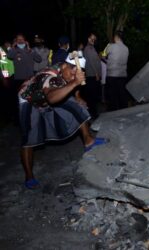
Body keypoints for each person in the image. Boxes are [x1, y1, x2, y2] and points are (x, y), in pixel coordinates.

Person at [18, 55, 108, 189]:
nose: (73, 76)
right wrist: (74, 82)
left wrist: (78, 96)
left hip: (50, 94)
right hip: (29, 99)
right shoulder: (49, 77)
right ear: (65, 66)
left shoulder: (66, 67)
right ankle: (29, 176)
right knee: (29, 138)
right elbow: (51, 99)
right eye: (72, 74)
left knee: (77, 106)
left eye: (76, 74)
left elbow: (74, 85)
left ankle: (89, 140)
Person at [7, 34, 42, 123]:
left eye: (22, 39)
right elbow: (9, 56)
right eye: (18, 39)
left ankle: (31, 118)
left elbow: (39, 59)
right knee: (20, 102)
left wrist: (30, 49)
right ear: (16, 41)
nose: (20, 41)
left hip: (30, 80)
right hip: (19, 80)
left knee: (31, 100)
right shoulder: (14, 51)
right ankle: (19, 120)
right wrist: (13, 46)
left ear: (25, 41)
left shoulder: (30, 50)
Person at [105, 31, 129, 111]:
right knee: (122, 95)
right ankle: (124, 111)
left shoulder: (112, 46)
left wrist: (102, 55)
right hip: (122, 75)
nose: (113, 38)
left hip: (112, 75)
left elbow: (103, 55)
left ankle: (113, 113)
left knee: (113, 96)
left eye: (114, 37)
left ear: (117, 37)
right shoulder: (126, 48)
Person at [82, 33, 102, 118]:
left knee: (93, 95)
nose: (93, 40)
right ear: (88, 39)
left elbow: (95, 60)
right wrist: (97, 73)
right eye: (92, 38)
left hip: (94, 75)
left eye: (95, 39)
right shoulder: (88, 48)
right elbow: (91, 61)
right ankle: (92, 114)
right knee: (91, 96)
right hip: (92, 75)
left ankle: (93, 113)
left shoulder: (92, 48)